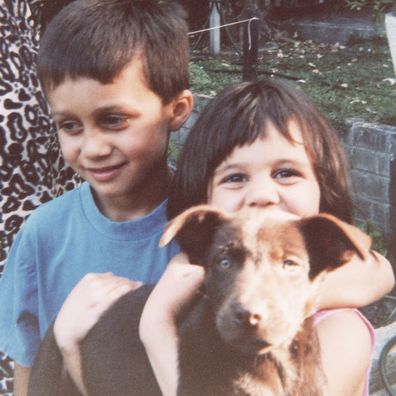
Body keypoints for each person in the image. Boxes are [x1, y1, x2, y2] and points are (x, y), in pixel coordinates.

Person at [138, 79, 395, 396]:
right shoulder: (191, 282)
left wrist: (156, 327)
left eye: (286, 173)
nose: (261, 195)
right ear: (204, 199)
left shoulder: (341, 331)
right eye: (235, 177)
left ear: (324, 186)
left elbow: (374, 270)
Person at [0, 0, 193, 395]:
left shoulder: (206, 226)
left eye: (113, 120)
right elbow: (28, 368)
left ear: (176, 110)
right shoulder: (42, 234)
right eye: (70, 125)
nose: (92, 148)